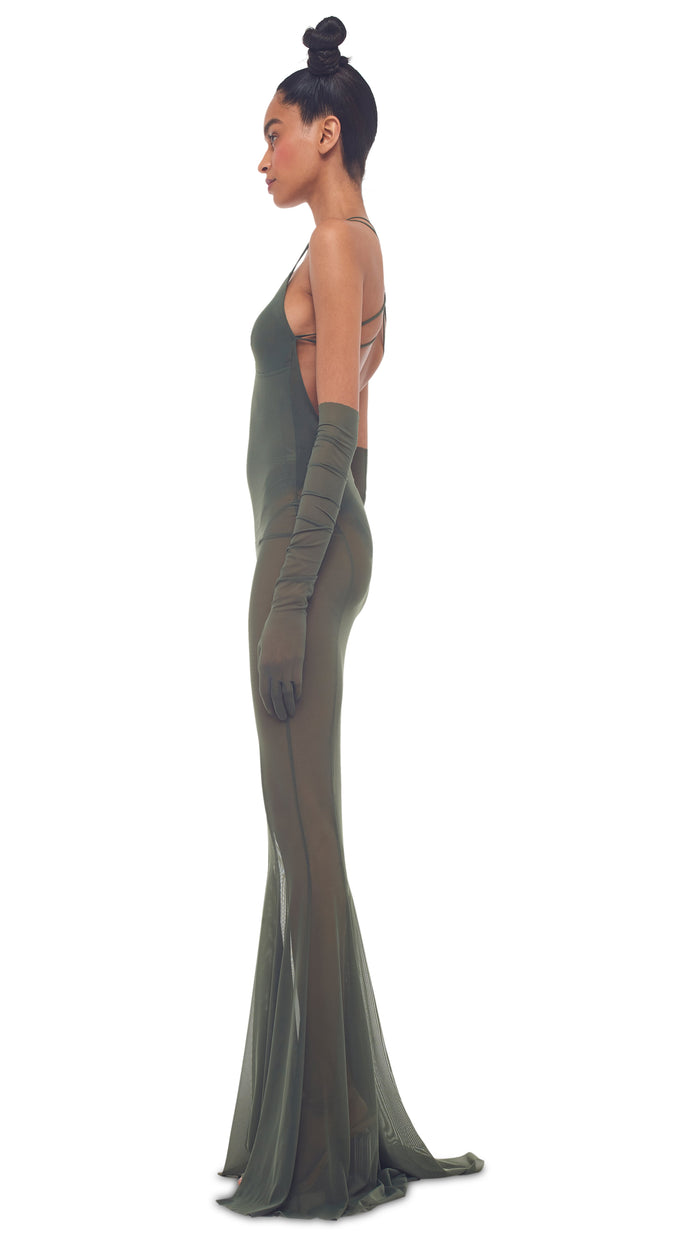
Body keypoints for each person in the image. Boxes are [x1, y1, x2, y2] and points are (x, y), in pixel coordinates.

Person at [215, 16, 484, 1219]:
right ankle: (301, 1115)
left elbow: (333, 434)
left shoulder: (336, 244)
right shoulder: (354, 247)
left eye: (274, 132)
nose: (260, 155)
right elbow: (353, 433)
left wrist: (290, 593)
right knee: (297, 834)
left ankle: (327, 1148)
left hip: (306, 548)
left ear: (327, 134)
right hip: (318, 544)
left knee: (305, 834)